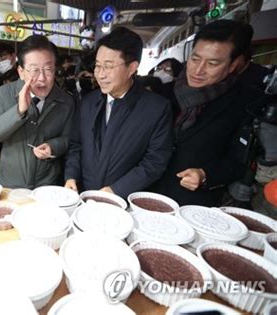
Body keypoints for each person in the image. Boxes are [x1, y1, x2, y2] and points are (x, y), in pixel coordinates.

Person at [150, 19, 263, 206]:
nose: (198, 70)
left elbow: (238, 161)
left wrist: (205, 175)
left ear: (234, 64)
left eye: (212, 63)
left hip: (192, 205)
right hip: (144, 194)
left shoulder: (246, 104)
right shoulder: (163, 93)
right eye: (195, 59)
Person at [64, 27, 173, 197]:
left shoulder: (157, 109)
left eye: (108, 67)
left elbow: (155, 162)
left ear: (132, 68)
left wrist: (116, 190)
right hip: (85, 198)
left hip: (124, 202)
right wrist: (71, 176)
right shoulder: (87, 102)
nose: (100, 74)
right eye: (98, 66)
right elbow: (76, 145)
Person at [0, 35, 75, 189]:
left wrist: (54, 146)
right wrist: (18, 111)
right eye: (34, 70)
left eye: (48, 69)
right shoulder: (4, 93)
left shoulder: (66, 101)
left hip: (47, 185)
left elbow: (70, 139)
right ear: (20, 71)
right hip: (11, 185)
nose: (42, 78)